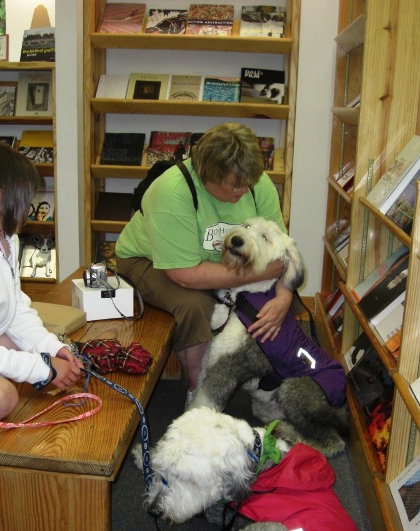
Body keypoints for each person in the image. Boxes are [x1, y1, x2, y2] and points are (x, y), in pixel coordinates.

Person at [115, 122, 294, 403]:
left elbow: (281, 252)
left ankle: (255, 374)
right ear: (207, 174)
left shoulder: (256, 183)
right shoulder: (172, 192)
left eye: (248, 182)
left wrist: (283, 299)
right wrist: (253, 274)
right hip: (148, 261)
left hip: (218, 266)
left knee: (269, 299)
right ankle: (198, 388)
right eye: (235, 185)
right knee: (196, 305)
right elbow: (185, 274)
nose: (244, 190)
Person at [0, 142, 83, 421]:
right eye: (23, 200)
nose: (27, 209)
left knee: (14, 345)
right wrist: (42, 368)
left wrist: (52, 348)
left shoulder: (3, 238)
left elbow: (15, 311)